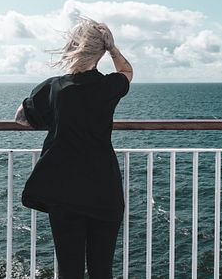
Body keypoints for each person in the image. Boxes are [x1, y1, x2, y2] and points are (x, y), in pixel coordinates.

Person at [14, 18, 133, 279]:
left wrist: (56, 119)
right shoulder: (109, 86)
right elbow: (127, 72)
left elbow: (21, 117)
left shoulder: (53, 87)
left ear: (73, 47)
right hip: (104, 190)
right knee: (102, 271)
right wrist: (113, 49)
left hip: (64, 192)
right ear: (100, 52)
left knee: (70, 271)